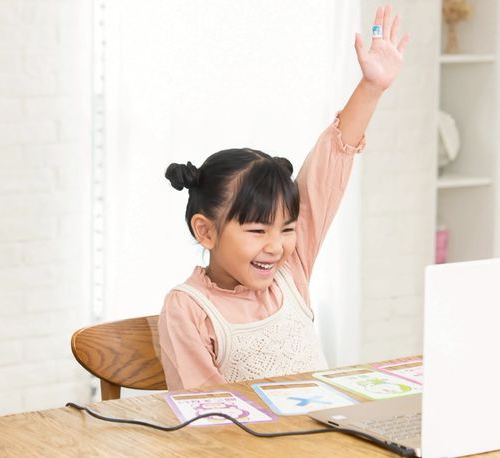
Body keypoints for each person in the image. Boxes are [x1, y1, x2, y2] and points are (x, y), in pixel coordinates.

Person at [159, 5, 409, 390]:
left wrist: (371, 88)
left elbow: (329, 165)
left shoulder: (290, 271)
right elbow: (206, 409)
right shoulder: (189, 309)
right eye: (258, 231)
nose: (276, 246)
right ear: (206, 231)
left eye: (287, 229)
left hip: (327, 425)